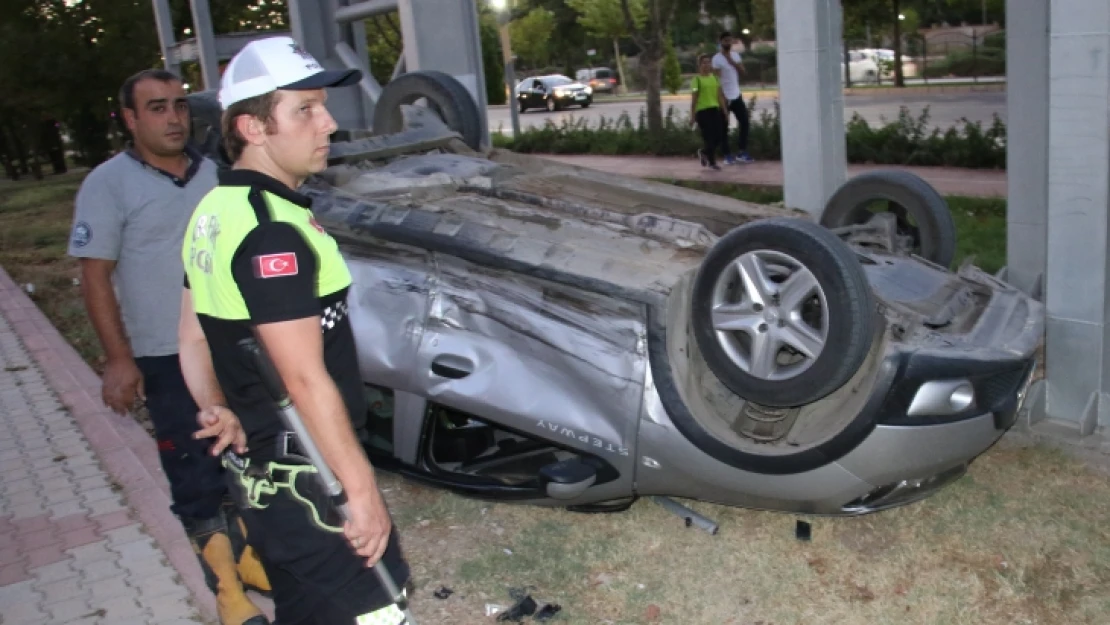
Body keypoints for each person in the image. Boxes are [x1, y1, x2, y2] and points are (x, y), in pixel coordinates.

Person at [177, 35, 411, 625]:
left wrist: (215, 406)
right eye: (304, 110)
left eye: (323, 107)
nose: (327, 123)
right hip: (312, 483)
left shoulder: (213, 213)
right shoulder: (271, 231)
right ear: (253, 128)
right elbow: (303, 378)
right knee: (380, 608)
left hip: (267, 483)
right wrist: (361, 493)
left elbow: (194, 338)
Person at [67, 69, 271, 625]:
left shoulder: (216, 175)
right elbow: (95, 276)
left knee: (250, 458)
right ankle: (228, 591)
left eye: (180, 106)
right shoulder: (108, 185)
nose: (174, 118)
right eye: (157, 108)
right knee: (196, 471)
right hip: (165, 355)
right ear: (131, 119)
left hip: (234, 347)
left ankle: (252, 558)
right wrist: (118, 359)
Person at [712, 31, 755, 164]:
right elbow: (716, 79)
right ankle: (727, 155)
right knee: (724, 126)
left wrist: (732, 62)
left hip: (736, 95)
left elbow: (743, 72)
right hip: (724, 97)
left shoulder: (735, 55)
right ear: (720, 42)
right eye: (725, 41)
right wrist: (721, 97)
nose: (728, 43)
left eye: (730, 41)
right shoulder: (716, 59)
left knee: (745, 122)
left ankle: (742, 152)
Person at [690, 54, 729, 171]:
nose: (707, 65)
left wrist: (725, 110)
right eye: (704, 63)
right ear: (699, 65)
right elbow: (694, 99)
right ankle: (712, 162)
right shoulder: (696, 80)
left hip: (715, 109)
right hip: (702, 111)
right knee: (709, 138)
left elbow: (720, 96)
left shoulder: (715, 78)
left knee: (719, 136)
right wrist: (692, 116)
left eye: (708, 62)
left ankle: (704, 152)